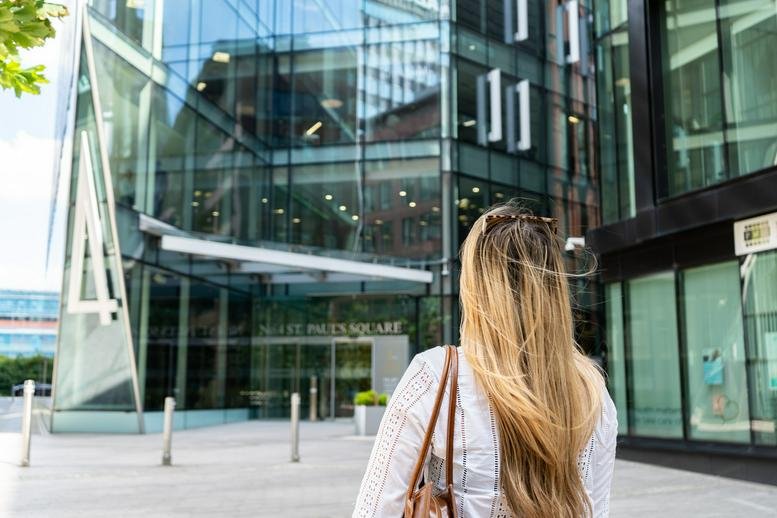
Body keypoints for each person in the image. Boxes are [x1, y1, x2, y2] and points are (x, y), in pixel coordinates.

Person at [353, 204, 617, 517]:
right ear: (554, 290)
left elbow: (374, 510)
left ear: (475, 287)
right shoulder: (591, 391)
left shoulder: (435, 376)